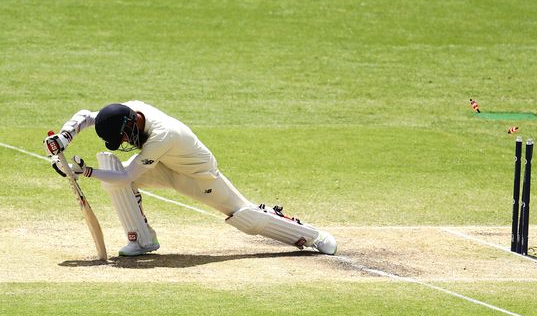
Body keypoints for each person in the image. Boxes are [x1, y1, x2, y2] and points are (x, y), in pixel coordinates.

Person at [44, 101, 337, 257]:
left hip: (197, 176)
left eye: (122, 137)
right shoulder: (126, 111)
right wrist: (64, 138)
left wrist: (83, 171)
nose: (124, 142)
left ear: (131, 123)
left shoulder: (161, 135)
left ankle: (312, 235)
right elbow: (85, 115)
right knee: (113, 174)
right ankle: (143, 241)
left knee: (244, 217)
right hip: (165, 165)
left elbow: (129, 174)